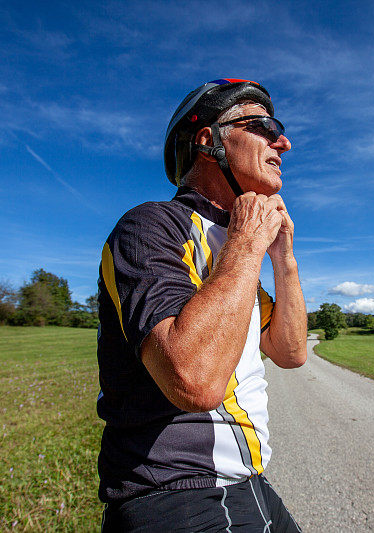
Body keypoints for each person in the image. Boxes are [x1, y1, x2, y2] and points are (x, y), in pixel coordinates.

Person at [97, 78, 307, 532]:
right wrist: (249, 243)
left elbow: (290, 352)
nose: (283, 142)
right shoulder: (151, 226)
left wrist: (283, 257)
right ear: (208, 141)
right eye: (264, 125)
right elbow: (194, 380)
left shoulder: (236, 254)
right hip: (175, 491)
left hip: (250, 482)